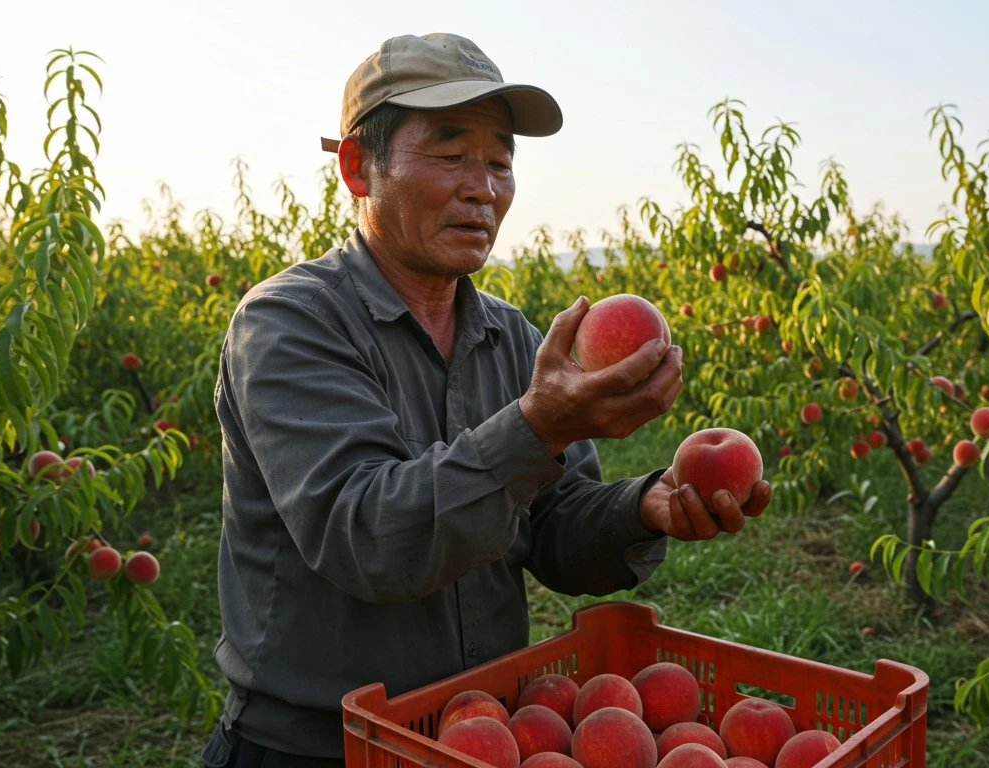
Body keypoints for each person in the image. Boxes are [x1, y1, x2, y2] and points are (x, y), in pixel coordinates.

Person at [201, 32, 771, 767]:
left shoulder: (510, 337)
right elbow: (368, 538)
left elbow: (554, 526)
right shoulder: (290, 323)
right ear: (357, 167)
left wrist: (642, 507)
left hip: (485, 737)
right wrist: (537, 427)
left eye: (500, 161)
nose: (484, 187)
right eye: (449, 153)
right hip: (320, 748)